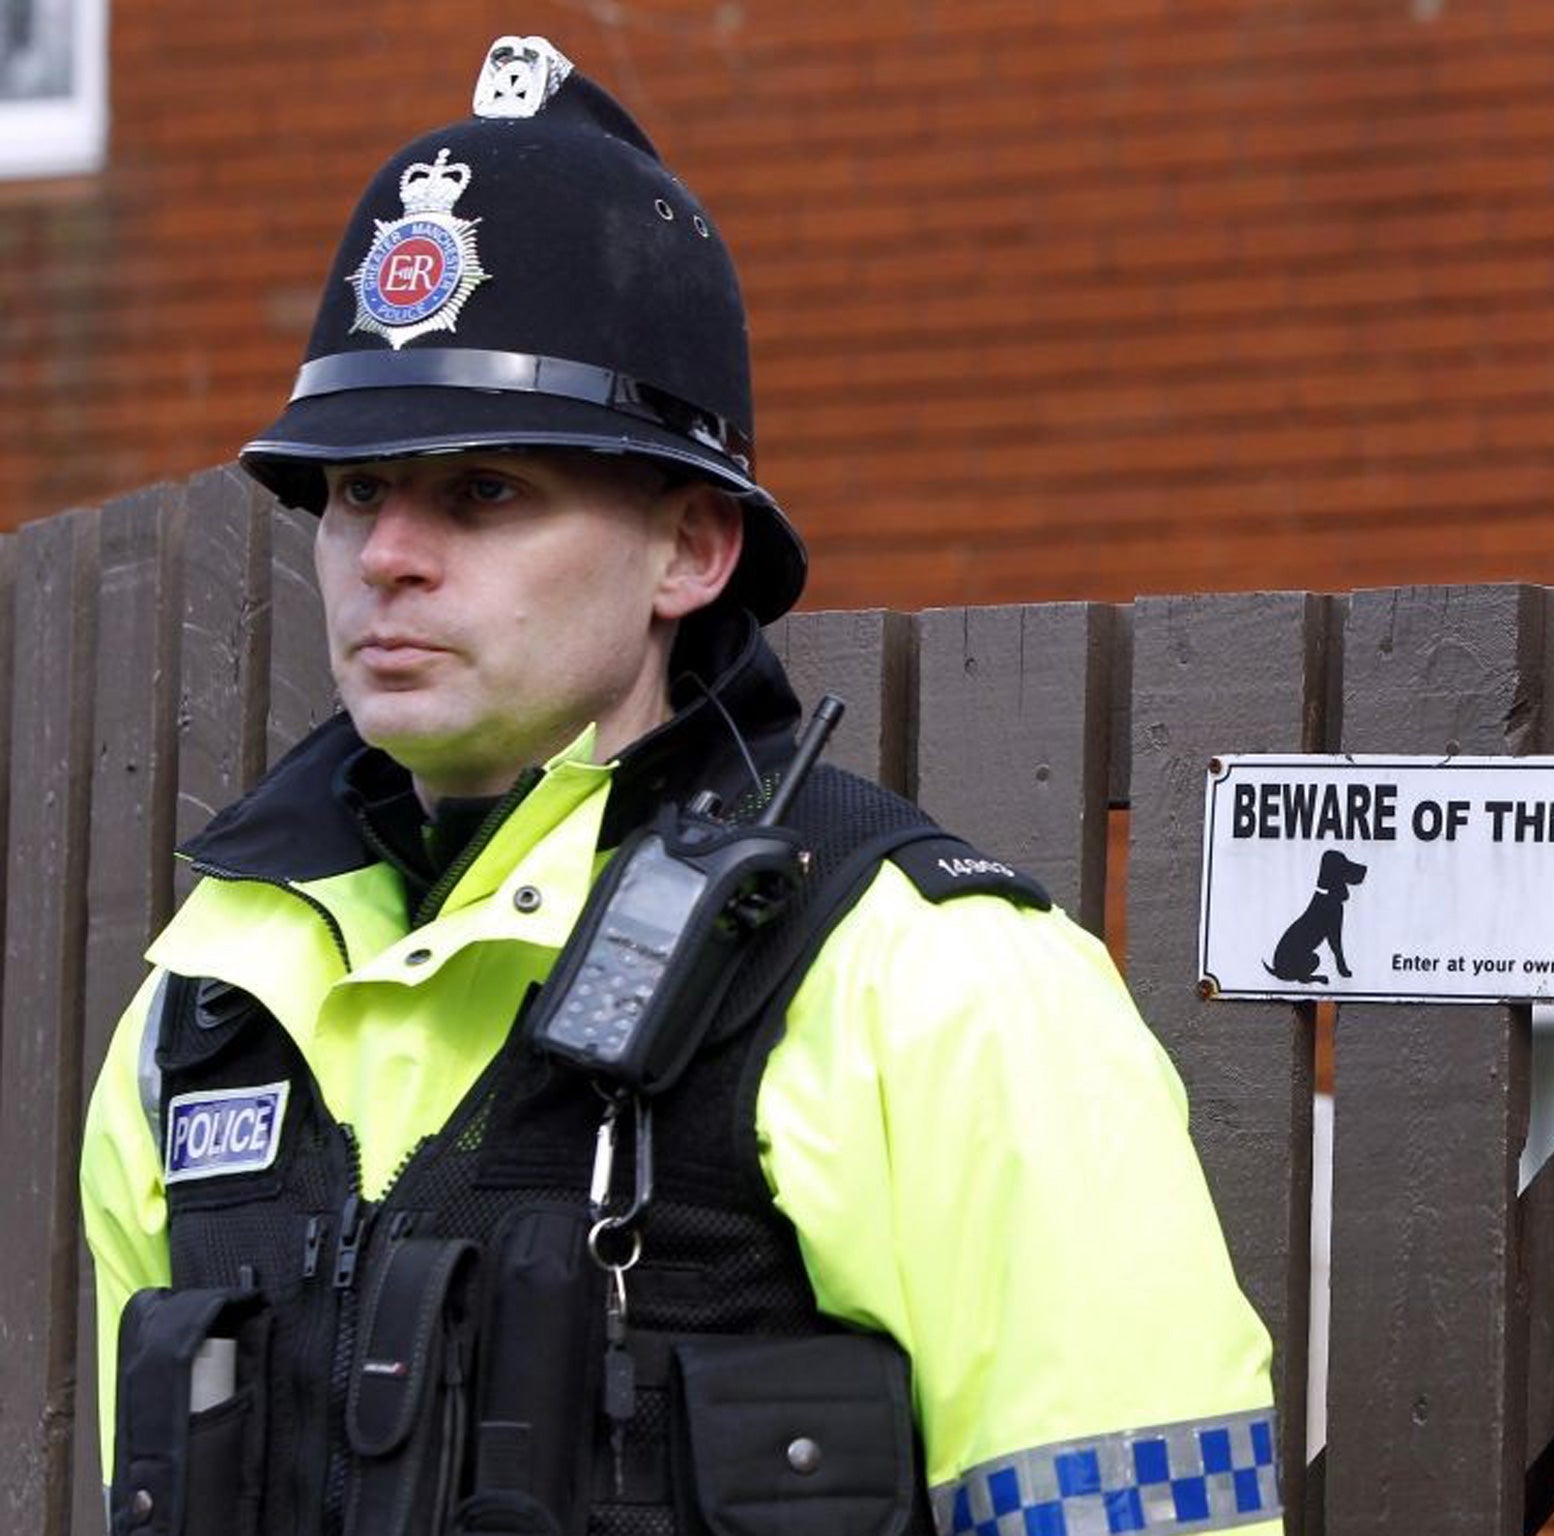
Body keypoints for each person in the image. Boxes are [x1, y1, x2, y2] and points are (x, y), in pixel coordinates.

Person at [78, 33, 1279, 1536]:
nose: (386, 552)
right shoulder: (199, 1017)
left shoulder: (932, 984)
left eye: (487, 491)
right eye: (357, 492)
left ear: (691, 551)